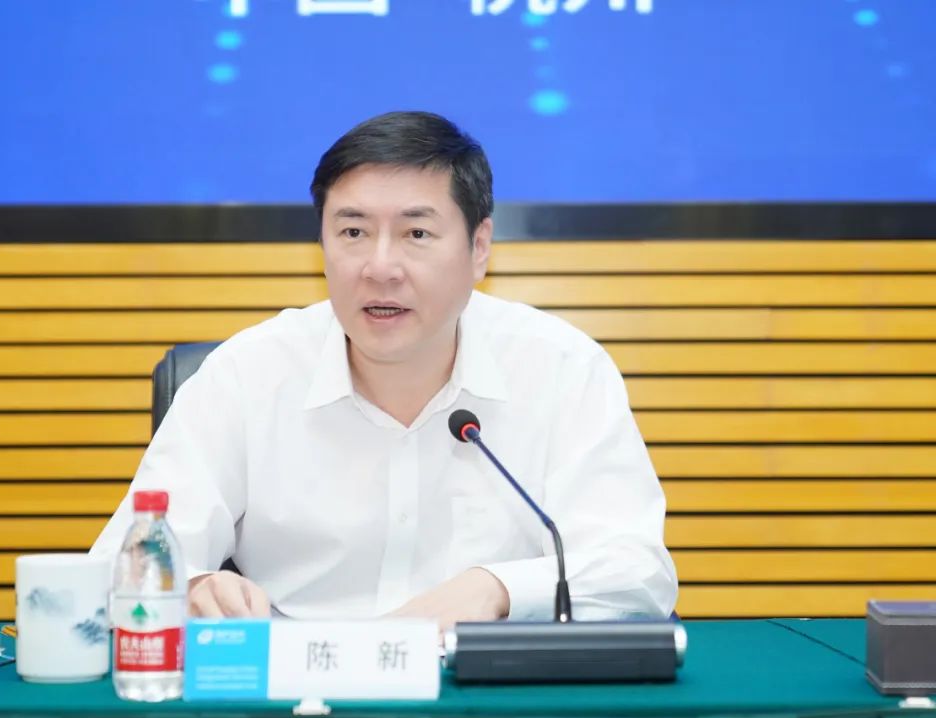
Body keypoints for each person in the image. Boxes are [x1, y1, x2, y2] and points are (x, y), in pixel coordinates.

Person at [91, 111, 677, 628]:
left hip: (486, 684)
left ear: (479, 248)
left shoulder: (562, 370)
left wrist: (497, 588)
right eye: (353, 232)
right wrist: (194, 588)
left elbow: (636, 572)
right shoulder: (247, 375)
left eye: (417, 233)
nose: (380, 267)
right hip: (298, 684)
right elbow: (115, 571)